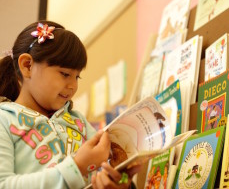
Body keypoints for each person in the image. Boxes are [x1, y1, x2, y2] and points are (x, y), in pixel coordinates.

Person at [0, 21, 140, 189]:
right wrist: (76, 167)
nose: (73, 85)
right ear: (27, 66)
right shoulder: (4, 120)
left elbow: (105, 171)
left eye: (77, 77)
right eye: (65, 74)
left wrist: (122, 183)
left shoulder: (78, 121)